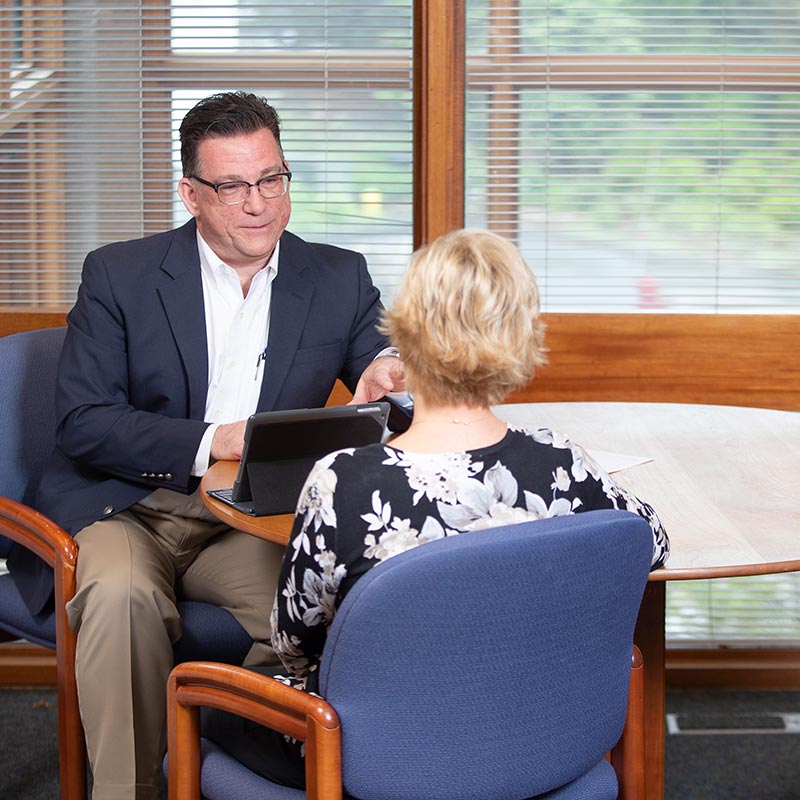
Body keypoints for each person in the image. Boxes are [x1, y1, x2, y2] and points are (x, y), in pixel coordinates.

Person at [7, 91, 404, 800]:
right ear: (191, 194)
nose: (258, 204)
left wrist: (386, 369)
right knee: (121, 597)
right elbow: (83, 421)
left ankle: (229, 771)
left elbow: (378, 361)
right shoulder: (119, 276)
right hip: (128, 506)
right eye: (232, 186)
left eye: (272, 179)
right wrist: (214, 438)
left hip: (250, 517)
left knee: (330, 609)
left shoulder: (336, 276)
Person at [202, 227, 670, 788]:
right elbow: (646, 541)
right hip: (540, 737)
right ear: (521, 338)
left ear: (405, 334)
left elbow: (295, 649)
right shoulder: (564, 464)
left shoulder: (342, 483)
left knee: (207, 703)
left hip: (372, 755)